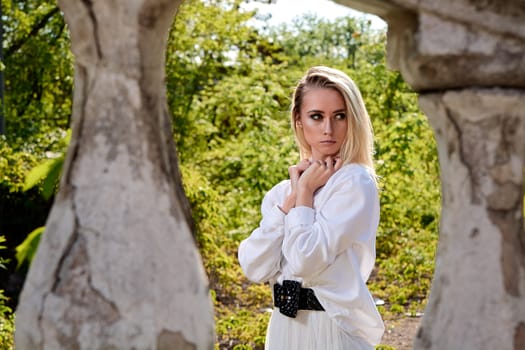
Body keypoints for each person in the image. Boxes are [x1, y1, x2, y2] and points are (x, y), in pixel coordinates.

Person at [238, 66, 384, 349]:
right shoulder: (282, 192)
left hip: (330, 328)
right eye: (316, 116)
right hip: (283, 328)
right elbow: (254, 266)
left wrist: (304, 194)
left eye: (339, 116)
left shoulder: (354, 182)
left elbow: (305, 261)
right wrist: (291, 201)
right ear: (299, 120)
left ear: (352, 119)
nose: (328, 128)